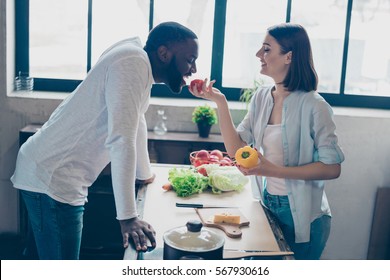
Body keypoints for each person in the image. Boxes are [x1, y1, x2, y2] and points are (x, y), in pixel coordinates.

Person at [11, 21, 199, 260]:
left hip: (44, 169)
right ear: (163, 54)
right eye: (190, 60)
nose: (193, 69)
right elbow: (122, 140)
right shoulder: (133, 62)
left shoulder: (137, 62)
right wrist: (129, 218)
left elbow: (136, 120)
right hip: (53, 178)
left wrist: (145, 174)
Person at [190, 23, 345, 260]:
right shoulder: (262, 97)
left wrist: (273, 170)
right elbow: (236, 150)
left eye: (266, 49)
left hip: (305, 218)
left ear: (289, 56)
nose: (258, 55)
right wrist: (220, 102)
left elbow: (332, 168)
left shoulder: (316, 106)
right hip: (268, 206)